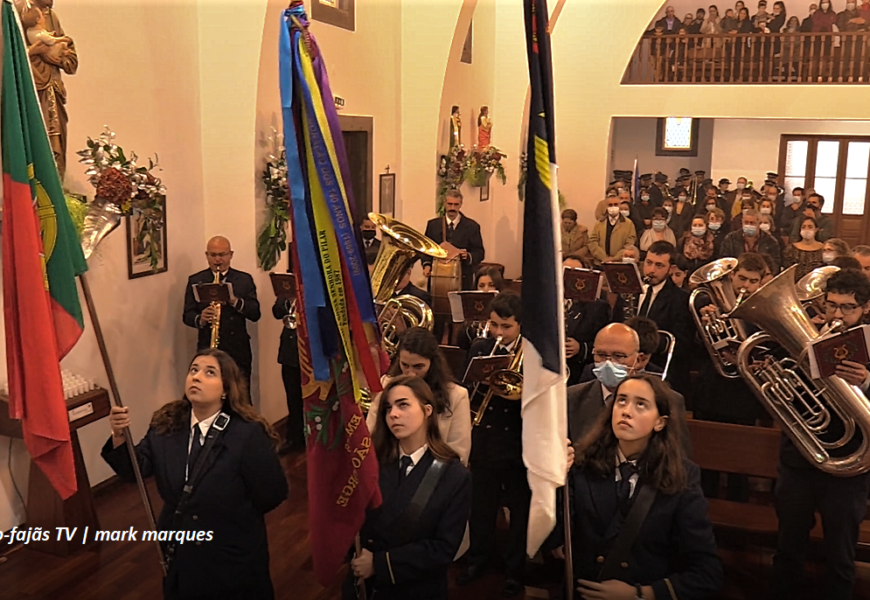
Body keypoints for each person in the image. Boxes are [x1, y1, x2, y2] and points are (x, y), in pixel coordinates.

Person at [102, 349, 288, 600]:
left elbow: (272, 493)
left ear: (225, 389)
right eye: (193, 370)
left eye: (209, 372)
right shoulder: (166, 424)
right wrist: (119, 436)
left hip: (231, 553)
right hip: (181, 550)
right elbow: (134, 470)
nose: (197, 377)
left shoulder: (247, 434)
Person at [553, 375, 723, 600]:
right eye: (621, 401)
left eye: (641, 404)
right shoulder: (581, 464)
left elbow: (706, 572)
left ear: (660, 422)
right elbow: (555, 543)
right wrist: (553, 482)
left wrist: (642, 594)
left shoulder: (681, 476)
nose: (626, 411)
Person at [773, 268, 870, 600]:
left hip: (849, 468)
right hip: (799, 460)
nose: (837, 315)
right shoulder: (806, 337)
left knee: (840, 556)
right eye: (831, 305)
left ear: (866, 308)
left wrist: (866, 382)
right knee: (787, 548)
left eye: (848, 308)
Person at [347, 376, 471, 600]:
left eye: (403, 404)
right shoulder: (372, 464)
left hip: (416, 590)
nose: (393, 414)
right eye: (388, 408)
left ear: (427, 410)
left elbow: (443, 548)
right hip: (366, 586)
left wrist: (380, 564)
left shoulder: (454, 476)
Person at [457, 292, 527, 597]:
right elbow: (464, 391)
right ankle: (478, 559)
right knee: (481, 508)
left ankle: (516, 570)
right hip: (485, 439)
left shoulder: (533, 353)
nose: (498, 332)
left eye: (506, 327)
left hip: (518, 443)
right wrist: (477, 382)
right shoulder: (481, 347)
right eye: (494, 324)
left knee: (520, 511)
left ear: (520, 326)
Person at [693, 253, 767, 501]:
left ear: (760, 283)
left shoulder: (764, 312)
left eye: (752, 281)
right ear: (732, 276)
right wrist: (704, 325)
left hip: (743, 397)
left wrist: (745, 357)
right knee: (705, 467)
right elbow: (694, 347)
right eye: (742, 278)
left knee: (740, 468)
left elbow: (769, 352)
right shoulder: (710, 305)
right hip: (710, 392)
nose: (745, 285)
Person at [366, 327, 472, 465]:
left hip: (434, 475)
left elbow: (459, 452)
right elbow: (370, 435)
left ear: (432, 364)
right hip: (388, 467)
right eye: (405, 365)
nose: (410, 374)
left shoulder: (456, 395)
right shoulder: (386, 385)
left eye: (418, 367)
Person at [183, 236, 261, 390]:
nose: (218, 260)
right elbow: (187, 315)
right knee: (210, 391)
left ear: (230, 255)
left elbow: (255, 313)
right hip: (208, 347)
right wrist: (201, 318)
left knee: (240, 392)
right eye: (213, 255)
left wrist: (234, 301)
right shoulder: (196, 280)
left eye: (222, 255)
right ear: (207, 255)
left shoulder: (244, 280)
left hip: (237, 348)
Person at [18, 0, 77, 178]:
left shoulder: (51, 16)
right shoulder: (15, 11)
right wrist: (32, 51)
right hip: (29, 89)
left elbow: (71, 61)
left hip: (54, 87)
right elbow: (8, 54)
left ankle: (55, 187)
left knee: (56, 142)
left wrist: (56, 57)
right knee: (33, 140)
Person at [637, 241, 694, 398]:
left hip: (660, 371)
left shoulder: (681, 299)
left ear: (671, 269)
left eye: (659, 265)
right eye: (648, 263)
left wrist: (645, 342)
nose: (651, 270)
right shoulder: (630, 291)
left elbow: (682, 344)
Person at [422, 190, 485, 290]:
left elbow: (480, 252)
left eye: (456, 205)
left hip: (463, 280)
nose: (452, 208)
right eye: (450, 204)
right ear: (444, 204)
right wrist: (427, 265)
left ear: (461, 205)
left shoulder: (472, 227)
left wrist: (468, 256)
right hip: (437, 280)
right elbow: (426, 249)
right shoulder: (433, 225)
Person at [563, 255, 611, 385]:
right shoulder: (547, 301)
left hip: (578, 371)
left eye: (575, 272)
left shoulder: (597, 307)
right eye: (566, 271)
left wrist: (580, 348)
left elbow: (604, 345)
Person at [272, 272, 303, 454]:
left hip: (312, 351)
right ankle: (294, 438)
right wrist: (289, 299)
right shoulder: (289, 284)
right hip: (291, 351)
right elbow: (276, 312)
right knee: (292, 397)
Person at [588, 193, 637, 264]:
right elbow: (592, 242)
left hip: (619, 263)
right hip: (600, 262)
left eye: (615, 204)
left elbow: (629, 244)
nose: (613, 207)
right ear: (606, 207)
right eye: (610, 205)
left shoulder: (628, 224)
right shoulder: (599, 223)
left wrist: (615, 258)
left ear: (619, 205)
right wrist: (604, 257)